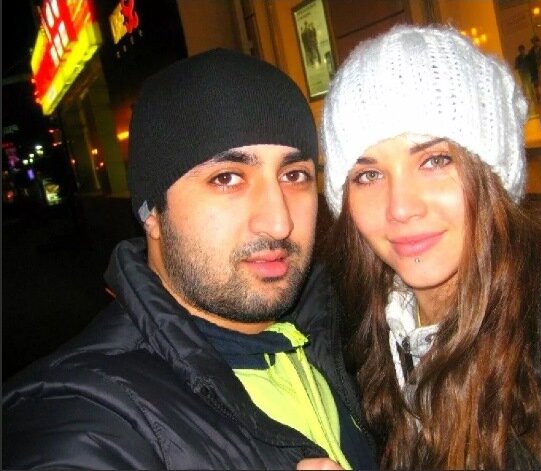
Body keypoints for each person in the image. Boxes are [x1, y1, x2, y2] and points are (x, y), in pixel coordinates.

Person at [3, 49, 375, 470]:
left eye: (294, 175)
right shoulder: (86, 411)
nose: (279, 222)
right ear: (152, 214)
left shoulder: (347, 335)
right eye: (227, 178)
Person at [321, 25, 541, 469]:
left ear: (493, 176)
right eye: (368, 175)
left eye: (435, 160)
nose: (400, 208)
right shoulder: (357, 339)